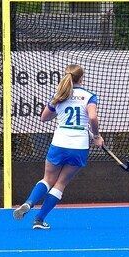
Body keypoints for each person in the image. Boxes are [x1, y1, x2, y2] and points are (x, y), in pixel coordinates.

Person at [12, 64, 104, 229]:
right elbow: (93, 117)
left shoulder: (60, 95)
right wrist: (96, 136)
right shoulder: (89, 96)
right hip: (78, 146)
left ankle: (29, 203)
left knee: (47, 179)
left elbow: (44, 118)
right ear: (81, 78)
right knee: (60, 183)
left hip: (59, 142)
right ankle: (39, 219)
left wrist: (59, 110)